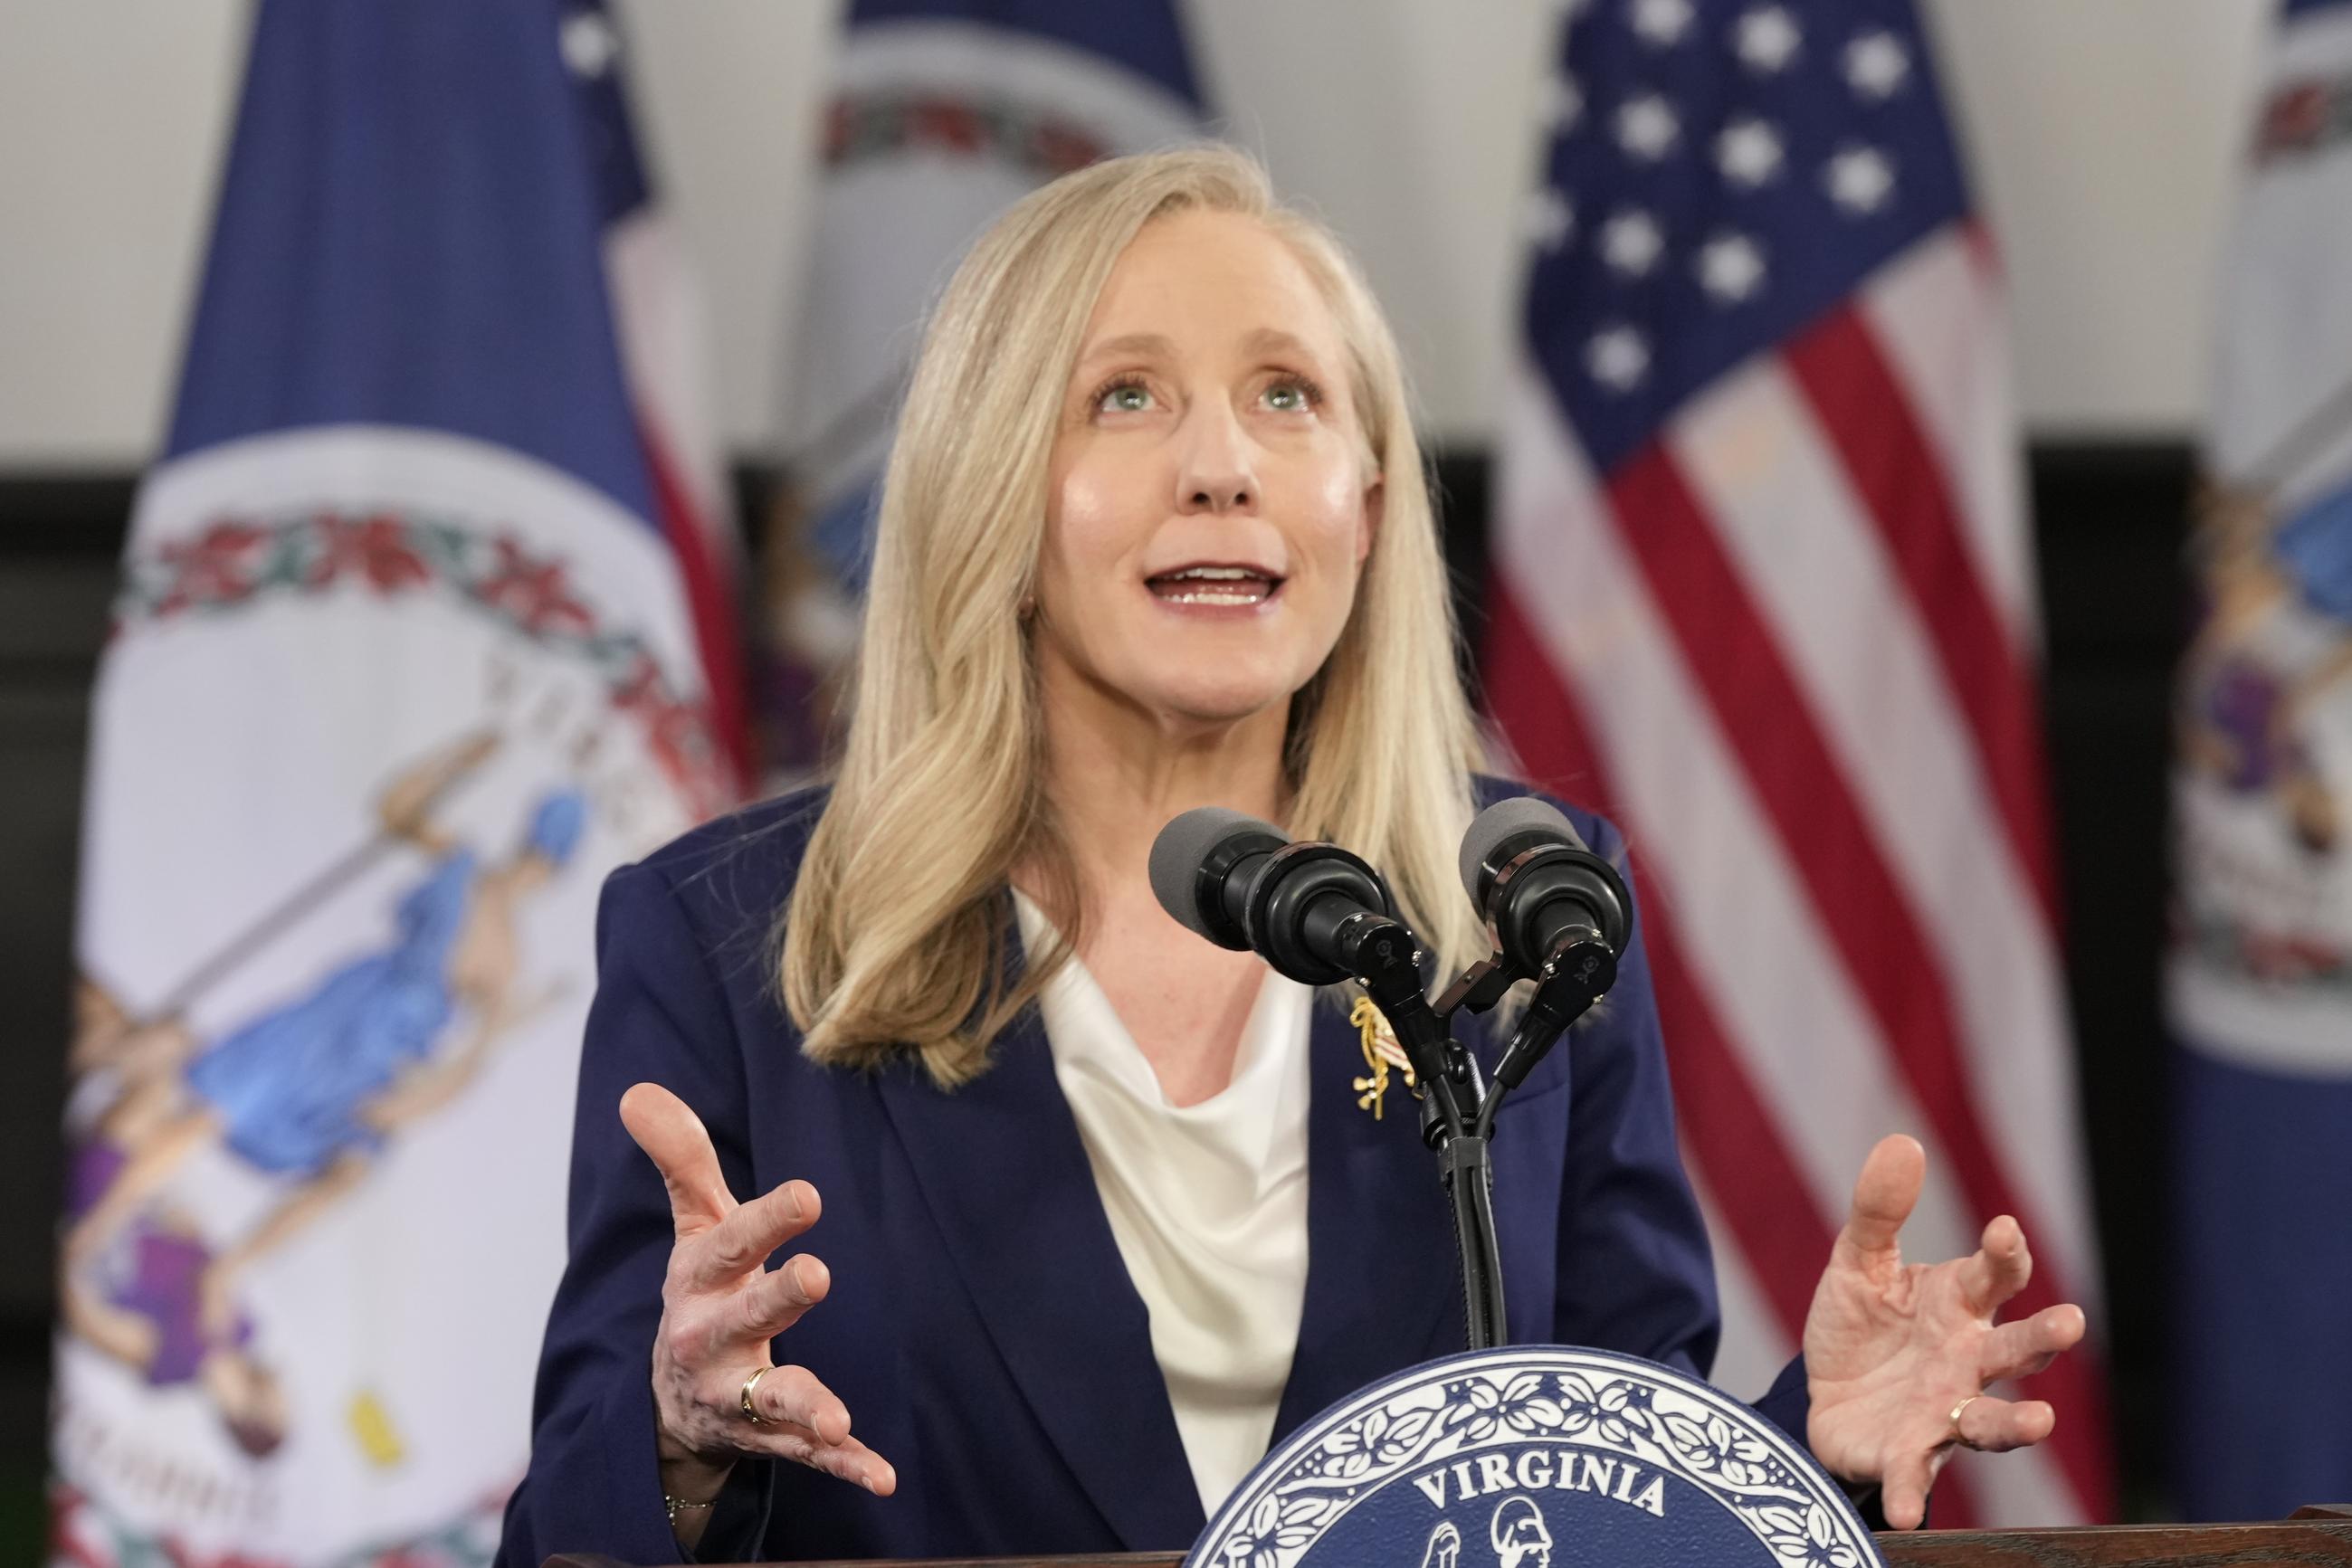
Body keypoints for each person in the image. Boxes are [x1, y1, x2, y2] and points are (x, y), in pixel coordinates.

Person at [496, 145, 2083, 1567]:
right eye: (1124, 395)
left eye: (1288, 396)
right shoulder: (737, 946)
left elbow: (1600, 1485)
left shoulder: (1529, 910)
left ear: (1370, 506)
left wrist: (1820, 1445)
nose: (1222, 466)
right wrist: (677, 1443)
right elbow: (572, 1532)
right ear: (989, 488)